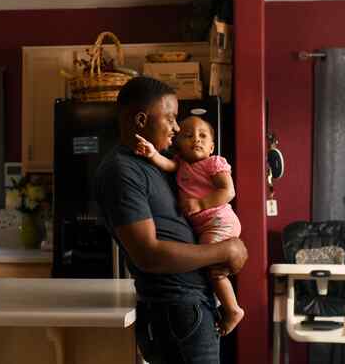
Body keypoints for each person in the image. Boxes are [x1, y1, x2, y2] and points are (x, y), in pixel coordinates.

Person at [94, 76, 248, 364]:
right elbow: (148, 255)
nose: (178, 128)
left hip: (192, 306)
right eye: (171, 118)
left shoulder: (158, 162)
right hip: (175, 310)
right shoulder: (121, 172)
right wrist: (228, 250)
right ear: (141, 120)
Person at [134, 115, 244, 335]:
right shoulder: (181, 164)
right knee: (210, 268)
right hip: (205, 225)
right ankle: (221, 302)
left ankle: (233, 310)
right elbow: (167, 164)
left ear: (212, 146)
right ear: (178, 144)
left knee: (214, 270)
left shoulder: (214, 163)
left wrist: (200, 203)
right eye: (188, 135)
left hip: (219, 221)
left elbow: (228, 191)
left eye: (203, 136)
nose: (197, 139)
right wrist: (152, 153)